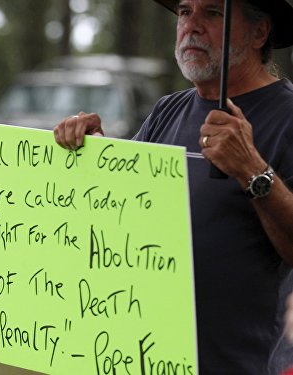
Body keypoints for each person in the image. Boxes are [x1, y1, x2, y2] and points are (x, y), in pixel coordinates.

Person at [53, 0, 293, 373]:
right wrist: (94, 155)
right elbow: (120, 216)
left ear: (260, 32)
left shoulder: (286, 118)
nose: (192, 26)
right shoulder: (167, 111)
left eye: (213, 13)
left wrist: (253, 172)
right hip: (149, 356)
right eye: (185, 11)